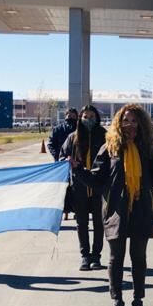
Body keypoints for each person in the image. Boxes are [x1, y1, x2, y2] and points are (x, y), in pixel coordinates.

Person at [73, 104, 153, 306]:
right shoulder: (110, 148)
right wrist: (78, 170)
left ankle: (138, 301)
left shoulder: (148, 148)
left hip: (142, 207)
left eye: (134, 121)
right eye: (125, 120)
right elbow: (98, 180)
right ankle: (117, 302)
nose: (129, 124)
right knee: (116, 257)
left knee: (139, 257)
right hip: (116, 208)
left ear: (141, 123)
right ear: (118, 122)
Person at [61, 105, 106, 271]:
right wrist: (66, 160)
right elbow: (61, 156)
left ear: (97, 117)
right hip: (78, 188)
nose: (88, 119)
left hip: (98, 188)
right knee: (81, 224)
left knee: (99, 223)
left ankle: (96, 257)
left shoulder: (104, 136)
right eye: (85, 116)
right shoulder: (73, 137)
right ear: (80, 118)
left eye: (92, 116)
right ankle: (85, 256)